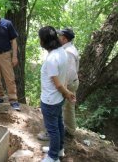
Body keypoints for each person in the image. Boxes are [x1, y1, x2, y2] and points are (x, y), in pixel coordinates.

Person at [38, 26, 75, 162]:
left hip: (50, 100)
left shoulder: (51, 59)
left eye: (40, 39)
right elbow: (63, 77)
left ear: (44, 41)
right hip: (57, 98)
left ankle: (53, 157)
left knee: (52, 129)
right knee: (59, 124)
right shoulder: (62, 51)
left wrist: (67, 93)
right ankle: (59, 149)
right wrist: (66, 93)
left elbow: (58, 84)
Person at [57, 28, 79, 137]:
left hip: (69, 83)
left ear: (64, 39)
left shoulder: (68, 52)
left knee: (66, 107)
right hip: (71, 82)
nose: (57, 37)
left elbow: (69, 73)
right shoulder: (68, 49)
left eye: (59, 36)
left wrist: (64, 89)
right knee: (67, 107)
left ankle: (69, 131)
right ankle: (69, 129)